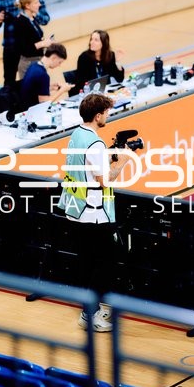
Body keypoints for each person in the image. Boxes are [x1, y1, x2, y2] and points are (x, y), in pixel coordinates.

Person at [57, 94, 135, 331]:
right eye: (107, 112)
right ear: (98, 115)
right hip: (93, 212)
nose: (108, 116)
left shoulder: (77, 135)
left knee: (88, 262)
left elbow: (88, 164)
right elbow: (105, 181)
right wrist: (122, 161)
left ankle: (90, 310)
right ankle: (89, 315)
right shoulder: (95, 143)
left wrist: (107, 157)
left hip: (76, 209)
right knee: (104, 262)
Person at [0, 0, 50, 87]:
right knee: (9, 81)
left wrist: (32, 11)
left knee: (34, 79)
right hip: (11, 46)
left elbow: (45, 19)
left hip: (31, 48)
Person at [16, 42, 74, 111]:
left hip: (23, 106)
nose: (59, 65)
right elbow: (44, 103)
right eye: (59, 62)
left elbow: (33, 91)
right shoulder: (43, 75)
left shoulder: (34, 65)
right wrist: (62, 90)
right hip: (31, 111)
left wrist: (50, 87)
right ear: (53, 58)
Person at [69, 29, 126, 96]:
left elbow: (120, 79)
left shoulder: (110, 55)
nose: (91, 42)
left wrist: (117, 62)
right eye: (91, 39)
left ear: (104, 43)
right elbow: (81, 82)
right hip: (90, 95)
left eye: (96, 40)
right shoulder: (84, 57)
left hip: (105, 93)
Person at [13, 0, 53, 81]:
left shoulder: (32, 18)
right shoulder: (20, 22)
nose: (39, 4)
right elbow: (24, 48)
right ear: (27, 5)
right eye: (36, 2)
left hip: (38, 60)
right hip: (28, 64)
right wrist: (43, 43)